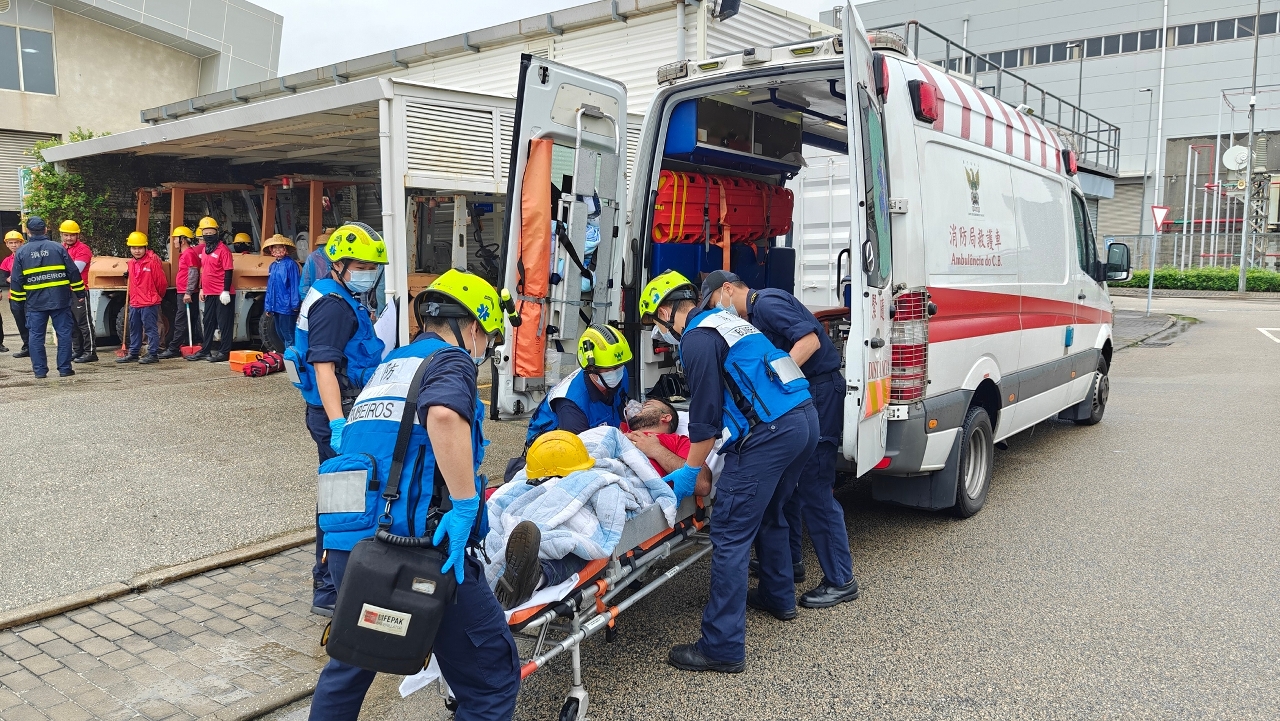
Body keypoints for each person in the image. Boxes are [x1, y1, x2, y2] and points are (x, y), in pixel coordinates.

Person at [309, 269, 518, 721]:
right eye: (488, 337)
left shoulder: (390, 367)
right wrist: (465, 504)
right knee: (492, 681)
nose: (484, 348)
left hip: (350, 549)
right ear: (474, 326)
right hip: (415, 551)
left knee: (351, 663)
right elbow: (442, 414)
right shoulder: (449, 360)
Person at [639, 270, 818, 673]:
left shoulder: (696, 338)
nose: (659, 333)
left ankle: (721, 646)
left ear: (665, 312)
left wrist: (690, 471)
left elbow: (704, 419)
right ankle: (777, 594)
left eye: (655, 323)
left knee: (730, 534)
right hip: (803, 419)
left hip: (769, 434)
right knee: (771, 510)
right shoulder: (728, 322)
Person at [701, 270, 860, 608]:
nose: (717, 312)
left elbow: (810, 341)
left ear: (727, 289)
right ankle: (791, 564)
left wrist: (773, 380)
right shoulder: (756, 314)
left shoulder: (766, 302)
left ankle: (841, 579)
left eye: (715, 303)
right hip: (806, 392)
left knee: (815, 489)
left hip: (818, 391)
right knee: (788, 488)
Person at [288, 222, 387, 615]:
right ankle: (330, 589)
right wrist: (338, 424)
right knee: (342, 501)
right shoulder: (333, 305)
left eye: (373, 267)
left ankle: (334, 584)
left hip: (342, 407)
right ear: (339, 264)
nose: (369, 273)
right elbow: (324, 368)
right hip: (336, 411)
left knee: (339, 498)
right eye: (362, 266)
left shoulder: (340, 294)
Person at [524, 324, 632, 444]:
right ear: (590, 369)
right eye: (608, 369)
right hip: (552, 448)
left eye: (619, 366)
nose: (616, 373)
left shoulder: (621, 375)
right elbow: (581, 452)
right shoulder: (571, 406)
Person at [10, 216, 87, 379]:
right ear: (45, 230)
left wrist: (17, 302)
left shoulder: (22, 252)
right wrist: (80, 293)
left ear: (28, 232)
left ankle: (39, 371)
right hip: (60, 300)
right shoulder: (58, 248)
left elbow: (16, 280)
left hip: (35, 303)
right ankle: (65, 369)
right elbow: (73, 272)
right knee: (64, 334)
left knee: (36, 337)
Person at [185, 217, 235, 363]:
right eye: (205, 233)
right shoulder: (205, 250)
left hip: (222, 293)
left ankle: (224, 351)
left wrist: (226, 290)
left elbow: (228, 270)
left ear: (216, 232)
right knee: (207, 321)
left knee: (224, 323)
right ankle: (205, 349)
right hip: (209, 292)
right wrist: (201, 288)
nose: (208, 235)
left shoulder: (223, 250)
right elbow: (204, 270)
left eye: (211, 232)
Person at [116, 232, 168, 365]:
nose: (137, 251)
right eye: (134, 248)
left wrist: (155, 296)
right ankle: (134, 353)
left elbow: (161, 283)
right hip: (135, 302)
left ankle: (153, 353)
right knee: (134, 328)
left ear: (145, 247)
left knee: (150, 329)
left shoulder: (152, 262)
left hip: (149, 302)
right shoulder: (131, 263)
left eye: (139, 248)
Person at [59, 220, 97, 364]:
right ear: (62, 235)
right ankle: (78, 350)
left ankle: (90, 352)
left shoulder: (83, 249)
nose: (69, 238)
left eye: (72, 235)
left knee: (84, 322)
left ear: (77, 235)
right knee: (72, 322)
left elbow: (75, 270)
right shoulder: (61, 248)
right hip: (65, 291)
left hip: (79, 290)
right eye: (66, 235)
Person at [159, 226, 199, 359]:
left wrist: (188, 292)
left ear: (183, 240)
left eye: (175, 239)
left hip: (186, 292)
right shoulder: (186, 254)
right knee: (184, 320)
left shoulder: (189, 254)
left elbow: (193, 273)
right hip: (183, 291)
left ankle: (174, 348)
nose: (174, 242)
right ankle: (183, 344)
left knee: (180, 320)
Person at [625, 397, 691, 475]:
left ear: (665, 417)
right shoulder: (622, 429)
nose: (638, 408)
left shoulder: (679, 441)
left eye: (647, 405)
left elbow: (697, 479)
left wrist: (655, 449)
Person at [262, 234, 300, 347]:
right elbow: (270, 287)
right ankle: (288, 355)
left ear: (285, 249)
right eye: (275, 247)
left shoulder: (291, 264)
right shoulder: (273, 266)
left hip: (286, 306)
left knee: (288, 334)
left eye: (280, 247)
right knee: (280, 333)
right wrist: (268, 306)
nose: (277, 250)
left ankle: (292, 356)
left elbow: (295, 285)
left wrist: (295, 304)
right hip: (275, 306)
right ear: (271, 249)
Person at [0, 229, 25, 354]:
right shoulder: (7, 261)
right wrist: (8, 279)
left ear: (21, 243)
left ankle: (32, 346)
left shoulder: (27, 257)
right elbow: (4, 278)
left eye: (16, 242)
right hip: (14, 296)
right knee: (20, 322)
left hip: (30, 296)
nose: (14, 245)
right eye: (11, 242)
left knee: (32, 323)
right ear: (7, 244)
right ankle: (26, 345)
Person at [298, 228, 332, 300]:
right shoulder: (338, 257)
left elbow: (305, 282)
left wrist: (305, 299)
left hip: (315, 297)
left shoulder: (312, 257)